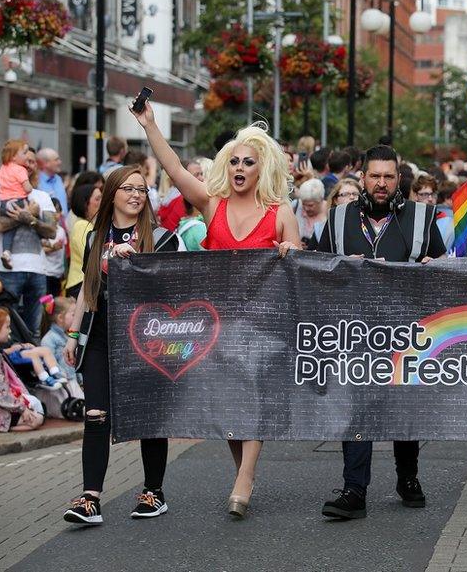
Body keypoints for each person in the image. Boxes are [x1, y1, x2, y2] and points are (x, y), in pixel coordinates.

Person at [132, 103, 299, 519]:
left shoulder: (280, 212)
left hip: (263, 324)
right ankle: (242, 467)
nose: (240, 167)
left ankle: (246, 476)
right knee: (228, 403)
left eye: (249, 162)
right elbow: (172, 167)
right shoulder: (212, 202)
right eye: (235, 160)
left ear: (263, 170)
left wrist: (288, 250)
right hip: (218, 322)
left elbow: (299, 259)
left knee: (255, 396)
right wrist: (151, 125)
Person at [317, 144, 447, 521]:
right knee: (355, 408)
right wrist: (341, 267)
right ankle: (354, 489)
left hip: (407, 332)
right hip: (356, 333)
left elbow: (441, 266)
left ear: (398, 180)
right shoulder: (339, 218)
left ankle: (408, 477)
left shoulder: (423, 218)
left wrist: (433, 265)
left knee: (404, 407)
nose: (382, 183)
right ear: (363, 177)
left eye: (389, 177)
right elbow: (320, 269)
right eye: (375, 175)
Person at [61, 166, 181, 525]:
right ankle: (90, 498)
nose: (135, 195)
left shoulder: (162, 238)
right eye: (127, 188)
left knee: (148, 415)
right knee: (95, 414)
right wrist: (73, 333)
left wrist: (139, 267)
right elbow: (87, 288)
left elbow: (175, 293)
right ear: (112, 193)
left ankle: (153, 491)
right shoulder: (95, 236)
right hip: (99, 335)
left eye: (141, 189)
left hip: (146, 339)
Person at [0, 148, 57, 335]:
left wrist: (31, 220)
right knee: (4, 329)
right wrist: (21, 217)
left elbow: (52, 231)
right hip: (9, 271)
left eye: (32, 162)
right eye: (25, 161)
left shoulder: (41, 196)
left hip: (38, 270)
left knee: (33, 329)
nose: (29, 165)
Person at [0, 308, 45, 433]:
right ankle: (2, 427)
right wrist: (22, 408)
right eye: (7, 327)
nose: (10, 331)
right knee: (37, 418)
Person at [0, 140, 34, 269]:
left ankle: (7, 251)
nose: (27, 156)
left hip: (4, 203)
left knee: (9, 229)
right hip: (19, 201)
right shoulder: (20, 170)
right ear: (13, 156)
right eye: (24, 153)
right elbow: (28, 188)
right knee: (32, 213)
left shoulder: (3, 168)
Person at [64, 185, 102, 298]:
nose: (102, 202)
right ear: (85, 204)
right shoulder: (82, 226)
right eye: (97, 199)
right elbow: (91, 257)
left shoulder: (89, 225)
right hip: (80, 284)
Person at [41, 296, 77, 383]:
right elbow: (50, 364)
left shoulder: (71, 334)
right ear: (60, 318)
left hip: (74, 382)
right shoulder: (49, 339)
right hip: (65, 384)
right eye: (73, 315)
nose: (77, 318)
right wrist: (63, 377)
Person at [42, 198, 67, 297]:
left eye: (57, 211)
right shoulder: (44, 230)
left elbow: (64, 252)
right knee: (47, 301)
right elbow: (41, 250)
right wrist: (53, 248)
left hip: (58, 272)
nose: (54, 214)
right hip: (47, 272)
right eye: (52, 212)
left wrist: (64, 270)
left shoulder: (61, 231)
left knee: (56, 299)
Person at [294, 179, 326, 250]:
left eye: (310, 205)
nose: (306, 208)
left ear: (320, 200)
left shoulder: (329, 212)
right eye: (303, 204)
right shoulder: (295, 206)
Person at [36, 148, 68, 217]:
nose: (60, 162)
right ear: (46, 163)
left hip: (63, 226)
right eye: (56, 160)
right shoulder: (36, 182)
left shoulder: (59, 179)